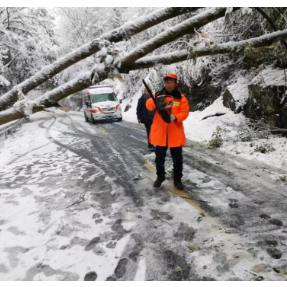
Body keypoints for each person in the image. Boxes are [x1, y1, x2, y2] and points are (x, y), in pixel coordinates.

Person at [146, 73, 189, 190]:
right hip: (161, 134)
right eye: (167, 82)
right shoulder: (159, 95)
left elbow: (185, 112)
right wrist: (155, 98)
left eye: (171, 82)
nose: (169, 84)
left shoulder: (181, 98)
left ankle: (177, 179)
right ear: (164, 83)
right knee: (159, 159)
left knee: (177, 159)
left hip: (175, 133)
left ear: (175, 83)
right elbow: (149, 106)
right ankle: (160, 177)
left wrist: (175, 117)